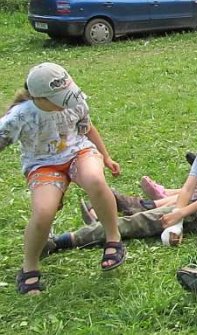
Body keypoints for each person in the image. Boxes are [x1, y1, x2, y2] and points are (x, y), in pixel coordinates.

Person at [44, 111, 197, 301]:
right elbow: (188, 189)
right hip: (195, 205)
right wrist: (177, 218)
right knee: (140, 220)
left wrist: (182, 212)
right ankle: (63, 240)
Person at [1, 62, 124, 295]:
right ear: (39, 97)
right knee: (44, 212)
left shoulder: (74, 102)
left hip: (79, 152)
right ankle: (29, 266)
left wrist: (106, 157)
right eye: (60, 98)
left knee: (95, 180)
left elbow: (87, 128)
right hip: (43, 164)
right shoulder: (20, 116)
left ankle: (113, 237)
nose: (67, 102)